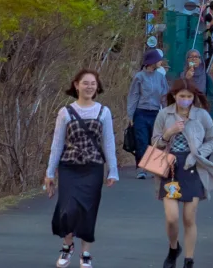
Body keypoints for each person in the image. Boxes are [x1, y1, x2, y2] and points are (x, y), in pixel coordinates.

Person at [150, 78, 213, 268]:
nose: (185, 100)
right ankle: (173, 248)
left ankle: (189, 259)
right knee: (172, 217)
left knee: (189, 216)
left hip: (193, 167)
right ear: (174, 96)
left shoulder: (201, 115)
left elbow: (212, 139)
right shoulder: (164, 114)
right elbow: (155, 142)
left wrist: (198, 154)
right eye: (181, 96)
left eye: (188, 97)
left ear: (194, 97)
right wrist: (168, 133)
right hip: (169, 168)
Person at [45, 69, 118, 268]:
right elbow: (57, 144)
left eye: (93, 83)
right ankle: (67, 246)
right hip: (69, 166)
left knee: (88, 209)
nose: (89, 87)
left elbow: (108, 143)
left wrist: (113, 170)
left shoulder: (103, 112)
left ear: (97, 86)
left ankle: (86, 252)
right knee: (68, 208)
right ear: (76, 85)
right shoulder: (65, 112)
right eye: (85, 83)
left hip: (93, 167)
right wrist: (50, 173)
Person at [127, 50, 170, 179]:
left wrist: (168, 113)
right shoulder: (139, 76)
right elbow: (133, 96)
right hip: (141, 112)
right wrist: (130, 115)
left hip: (156, 112)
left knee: (156, 141)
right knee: (142, 140)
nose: (161, 62)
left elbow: (164, 96)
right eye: (159, 60)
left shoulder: (160, 77)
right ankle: (141, 168)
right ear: (152, 62)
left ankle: (154, 168)